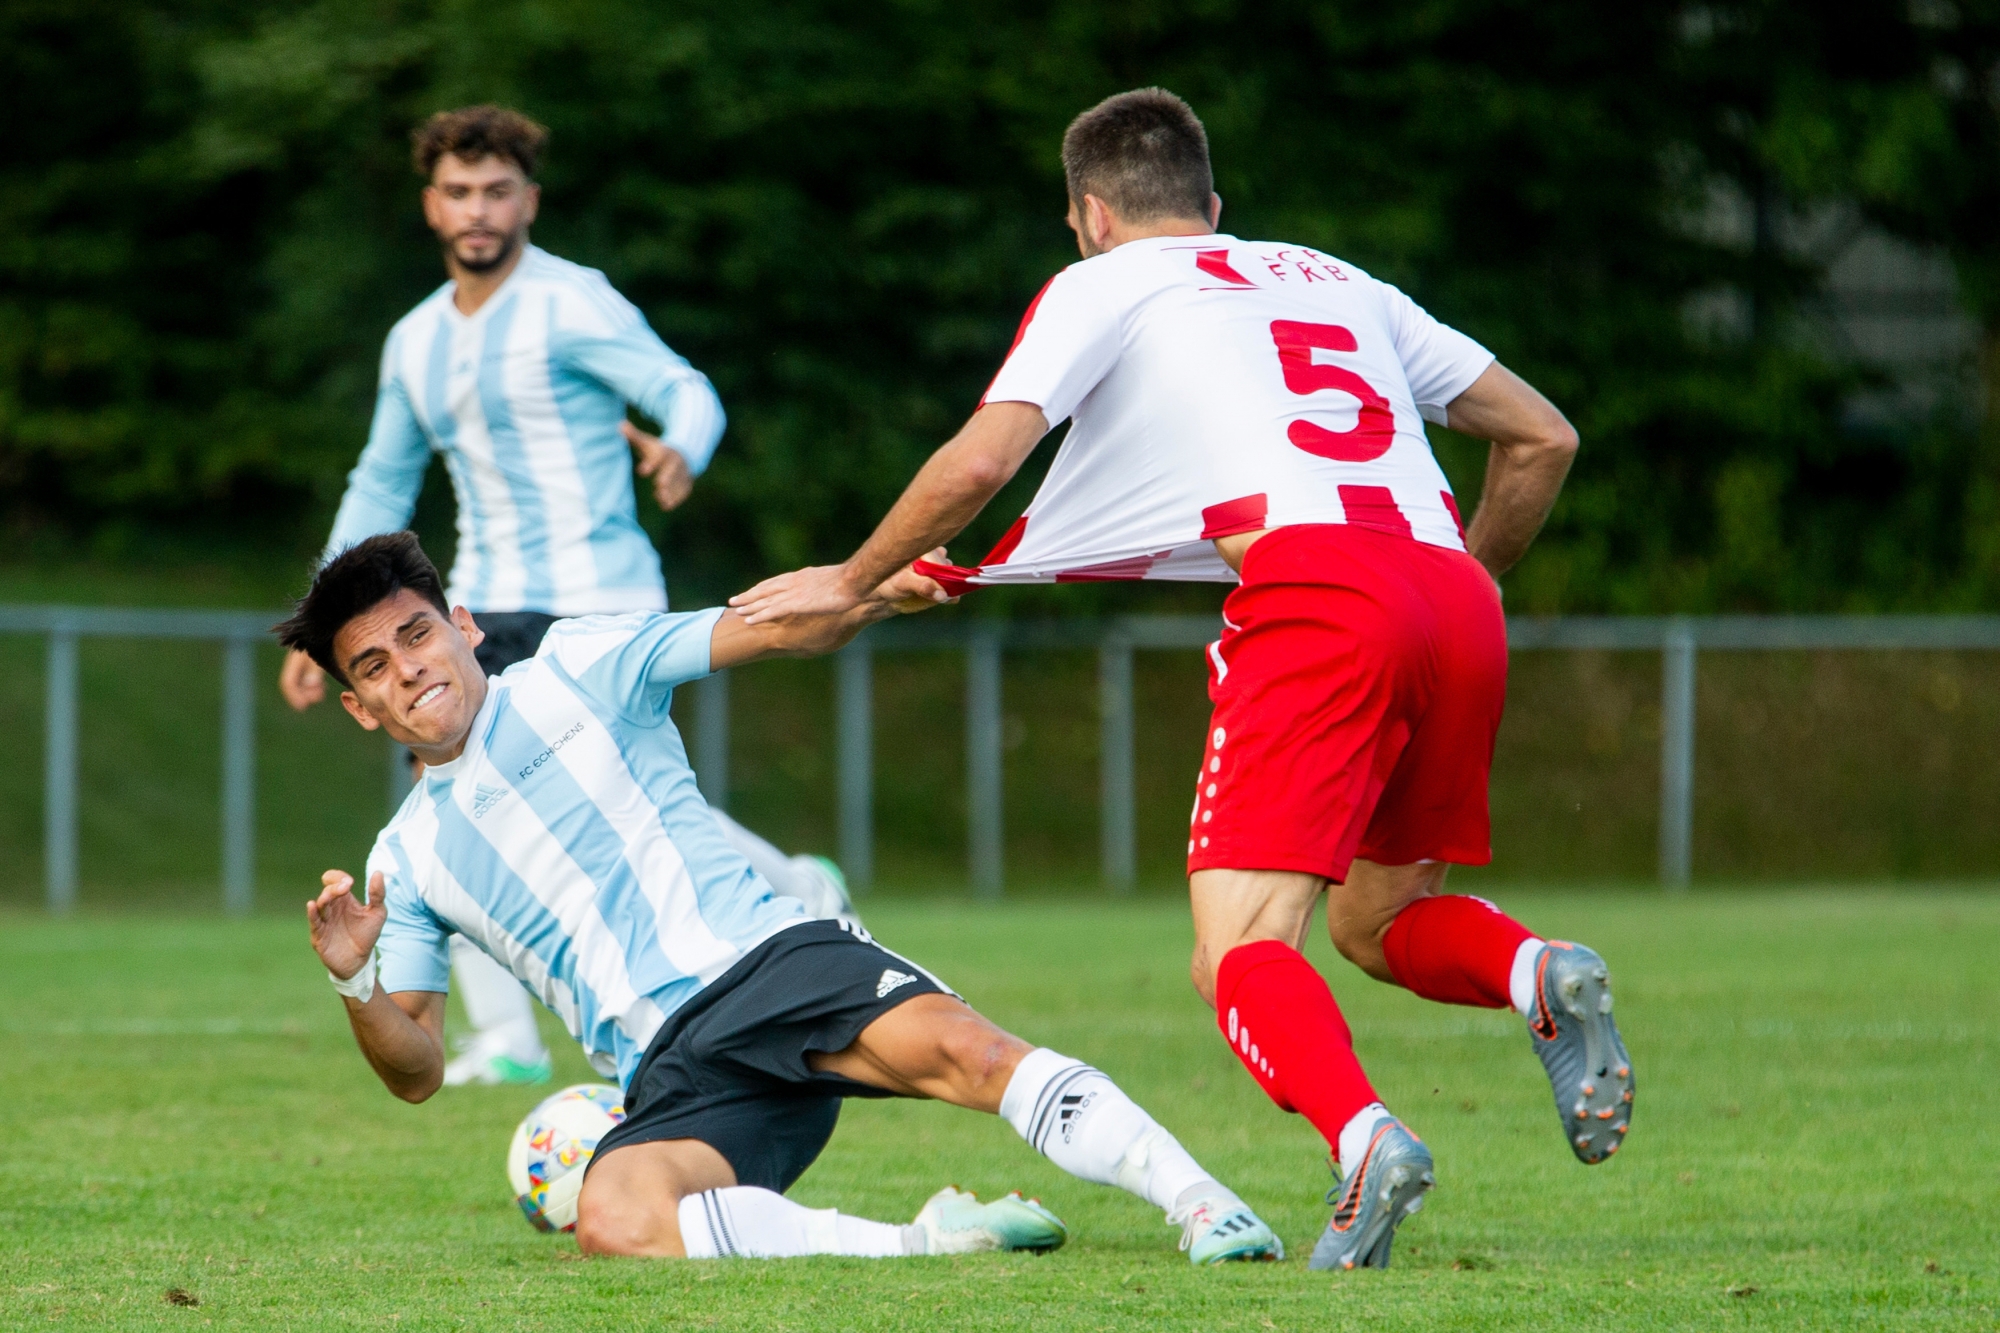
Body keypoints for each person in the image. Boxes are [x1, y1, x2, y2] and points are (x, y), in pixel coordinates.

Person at [731, 88, 1633, 1271]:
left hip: (1321, 598)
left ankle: (1361, 1140)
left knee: (1239, 948)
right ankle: (1536, 969)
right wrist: (1458, 582)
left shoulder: (1100, 282)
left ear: (1088, 215)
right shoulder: (1335, 278)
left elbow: (981, 459)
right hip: (1451, 595)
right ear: (1213, 208)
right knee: (1377, 918)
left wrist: (850, 580)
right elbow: (1543, 439)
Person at [282, 531, 1282, 1264]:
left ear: (460, 627)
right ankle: (927, 1239)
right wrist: (353, 978)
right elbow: (414, 1069)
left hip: (772, 963)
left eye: (416, 634)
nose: (409, 668)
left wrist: (869, 588)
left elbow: (757, 628)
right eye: (374, 666)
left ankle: (1200, 1203)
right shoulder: (402, 861)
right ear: (360, 709)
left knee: (971, 1055)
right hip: (671, 1069)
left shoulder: (576, 666)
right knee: (614, 1215)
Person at [276, 104, 846, 1086]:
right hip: (485, 605)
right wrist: (320, 628)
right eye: (458, 191)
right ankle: (505, 1041)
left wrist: (682, 446)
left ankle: (792, 886)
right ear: (430, 204)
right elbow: (379, 481)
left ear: (528, 200)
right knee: (449, 787)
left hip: (599, 598)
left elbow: (685, 389)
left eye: (497, 190)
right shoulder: (413, 342)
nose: (478, 209)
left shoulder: (573, 302)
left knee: (618, 792)